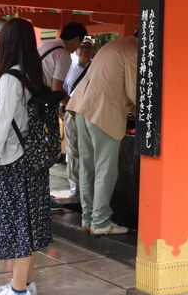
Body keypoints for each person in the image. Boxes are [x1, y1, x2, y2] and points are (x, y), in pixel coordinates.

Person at [0, 18, 52, 295]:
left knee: (21, 225)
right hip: (32, 160)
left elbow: (2, 123)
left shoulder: (10, 77)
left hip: (13, 160)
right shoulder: (33, 73)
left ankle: (19, 292)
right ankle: (26, 283)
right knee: (29, 223)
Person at [65, 33, 137, 235]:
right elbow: (135, 91)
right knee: (105, 168)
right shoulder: (135, 51)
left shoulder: (114, 45)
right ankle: (101, 221)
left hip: (81, 107)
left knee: (87, 166)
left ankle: (88, 218)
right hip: (102, 111)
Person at [37, 22, 87, 208]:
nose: (78, 48)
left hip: (31, 102)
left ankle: (38, 193)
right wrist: (72, 107)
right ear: (75, 39)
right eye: (80, 43)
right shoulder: (63, 54)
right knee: (46, 151)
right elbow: (57, 89)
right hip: (41, 108)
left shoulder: (47, 45)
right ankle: (42, 195)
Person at [58, 36, 95, 208]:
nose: (84, 50)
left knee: (88, 149)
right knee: (73, 150)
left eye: (88, 47)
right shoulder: (69, 67)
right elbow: (62, 88)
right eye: (82, 47)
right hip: (71, 112)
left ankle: (88, 186)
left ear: (93, 50)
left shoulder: (96, 68)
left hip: (90, 113)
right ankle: (75, 187)